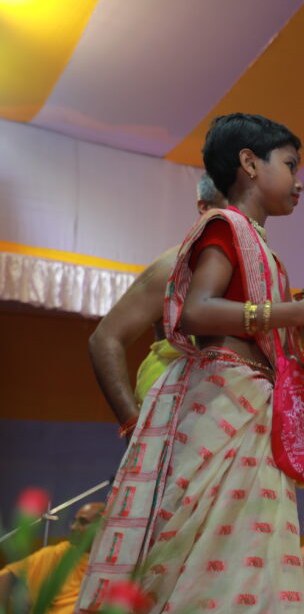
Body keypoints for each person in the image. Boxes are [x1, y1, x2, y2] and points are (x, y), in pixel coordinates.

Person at [75, 113, 304, 614]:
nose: (300, 181)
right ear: (249, 164)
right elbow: (196, 312)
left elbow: (270, 336)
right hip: (223, 401)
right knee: (207, 569)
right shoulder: (225, 225)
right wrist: (298, 313)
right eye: (290, 165)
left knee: (248, 565)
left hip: (254, 408)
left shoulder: (265, 251)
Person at [88, 175, 227, 427]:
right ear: (205, 208)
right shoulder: (173, 267)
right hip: (169, 413)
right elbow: (104, 339)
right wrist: (130, 424)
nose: (241, 212)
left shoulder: (256, 269)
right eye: (230, 200)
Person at [0, 503, 104, 614]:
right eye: (74, 521)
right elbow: (6, 576)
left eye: (83, 522)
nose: (73, 527)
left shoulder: (118, 562)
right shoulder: (58, 553)